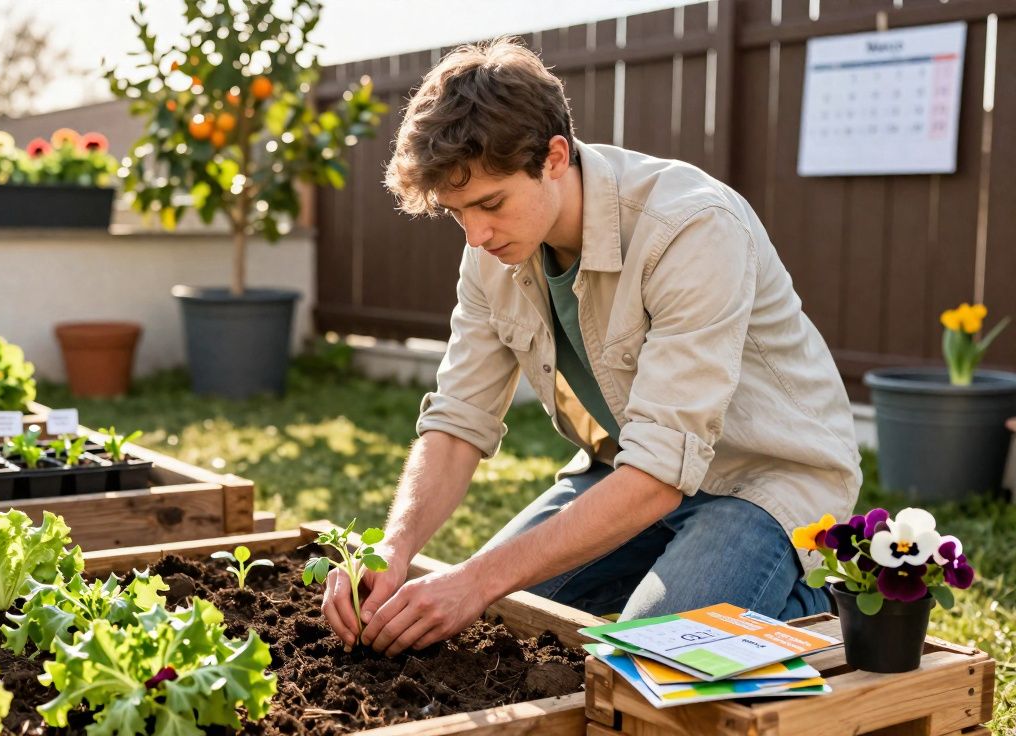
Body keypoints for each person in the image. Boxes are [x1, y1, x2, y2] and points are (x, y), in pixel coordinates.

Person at [319, 37, 862, 658]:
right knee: (495, 623)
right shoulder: (491, 251)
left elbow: (660, 472)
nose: (475, 234)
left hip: (760, 484)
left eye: (490, 203)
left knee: (651, 657)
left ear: (554, 157)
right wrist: (394, 546)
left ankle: (818, 597)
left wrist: (475, 577)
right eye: (456, 213)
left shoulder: (690, 227)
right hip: (622, 477)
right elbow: (458, 419)